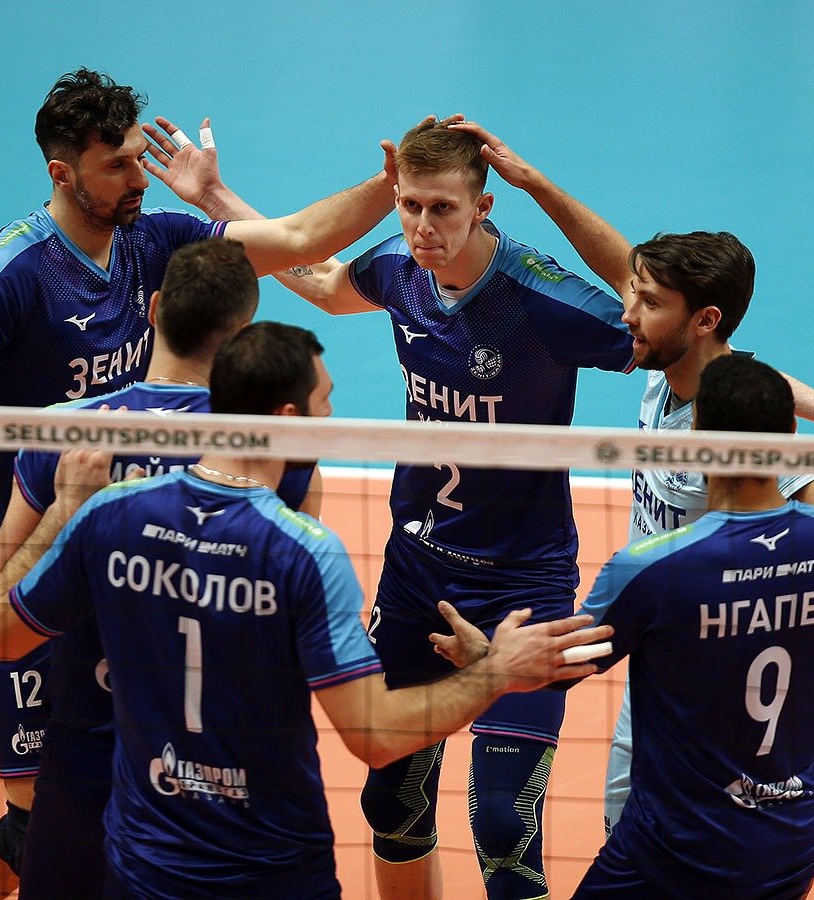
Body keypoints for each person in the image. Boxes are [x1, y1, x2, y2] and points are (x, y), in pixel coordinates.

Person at [0, 68, 396, 898]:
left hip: (129, 549)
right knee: (35, 826)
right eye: (117, 166)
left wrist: (392, 184)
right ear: (62, 173)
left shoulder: (158, 238)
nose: (139, 177)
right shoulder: (7, 275)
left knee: (129, 800)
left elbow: (301, 237)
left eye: (137, 158)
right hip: (27, 540)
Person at [0, 321, 613, 900]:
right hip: (270, 865)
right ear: (287, 418)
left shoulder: (110, 515)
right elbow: (376, 736)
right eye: (323, 402)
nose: (331, 415)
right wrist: (497, 671)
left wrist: (62, 510)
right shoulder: (302, 553)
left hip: (148, 864)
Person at [442, 119, 814, 841]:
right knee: (623, 831)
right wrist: (530, 182)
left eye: (649, 303)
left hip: (707, 676)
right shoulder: (671, 366)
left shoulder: (737, 430)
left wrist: (730, 585)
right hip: (654, 663)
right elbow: (622, 269)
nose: (626, 313)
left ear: (703, 321)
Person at [263, 116, 638, 900]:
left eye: (442, 208)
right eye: (410, 205)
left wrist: (541, 184)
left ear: (482, 206)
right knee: (390, 802)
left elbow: (649, 316)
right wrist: (214, 200)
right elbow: (324, 285)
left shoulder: (542, 297)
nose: (423, 227)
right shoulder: (397, 269)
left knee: (503, 825)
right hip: (416, 577)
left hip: (521, 583)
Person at [0, 238, 316, 899]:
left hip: (87, 726)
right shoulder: (272, 446)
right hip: (213, 744)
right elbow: (292, 617)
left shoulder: (66, 431)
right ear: (241, 339)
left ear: (153, 310)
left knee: (42, 850)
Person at [569, 354, 814, 898]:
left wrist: (488, 658)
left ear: (696, 438)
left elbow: (559, 668)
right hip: (791, 846)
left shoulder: (652, 569)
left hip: (671, 853)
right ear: (792, 437)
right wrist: (810, 822)